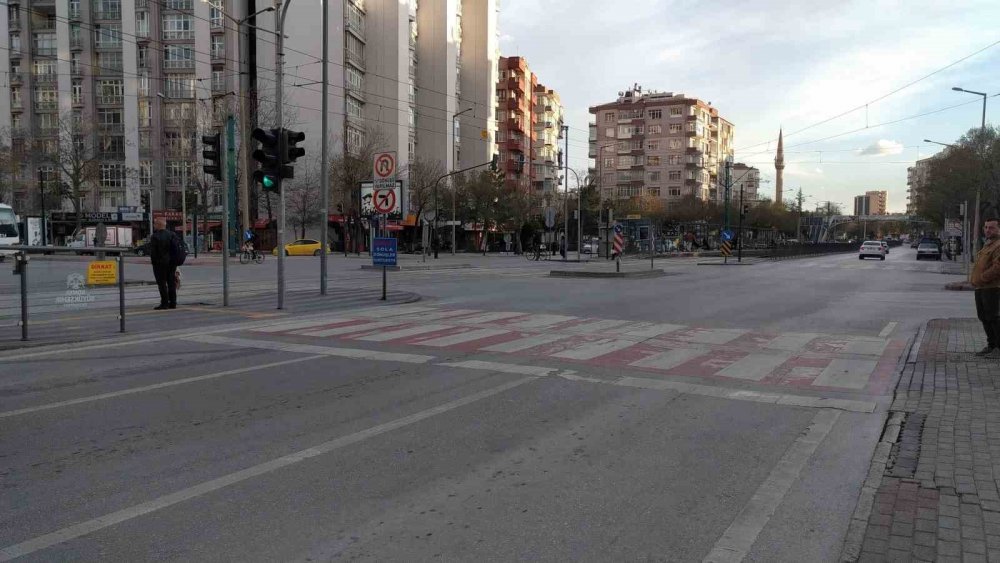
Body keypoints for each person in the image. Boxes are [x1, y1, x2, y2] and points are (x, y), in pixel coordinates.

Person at [971, 218, 1000, 357]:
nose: (988, 230)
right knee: (983, 316)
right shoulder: (988, 245)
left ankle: (998, 348)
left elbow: (997, 267)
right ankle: (991, 345)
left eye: (992, 228)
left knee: (993, 317)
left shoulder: (998, 245)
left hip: (992, 288)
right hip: (981, 288)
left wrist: (982, 278)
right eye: (986, 227)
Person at [149, 218, 178, 310]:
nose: (154, 225)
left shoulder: (155, 236)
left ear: (158, 225)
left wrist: (154, 262)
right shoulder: (172, 234)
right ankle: (173, 302)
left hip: (160, 263)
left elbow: (153, 252)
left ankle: (164, 303)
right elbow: (176, 249)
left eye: (155, 224)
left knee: (162, 283)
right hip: (172, 263)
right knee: (171, 283)